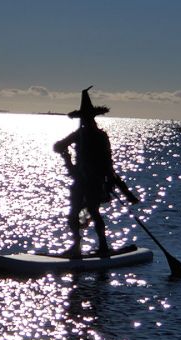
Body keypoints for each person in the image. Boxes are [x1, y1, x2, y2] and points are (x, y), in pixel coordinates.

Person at [54, 86, 138, 258]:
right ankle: (76, 246)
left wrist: (124, 190)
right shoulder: (79, 134)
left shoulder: (100, 136)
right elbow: (58, 146)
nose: (85, 120)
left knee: (93, 211)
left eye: (87, 118)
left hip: (94, 181)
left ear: (93, 118)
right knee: (73, 214)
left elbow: (108, 164)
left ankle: (103, 246)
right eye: (83, 118)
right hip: (80, 180)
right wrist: (65, 152)